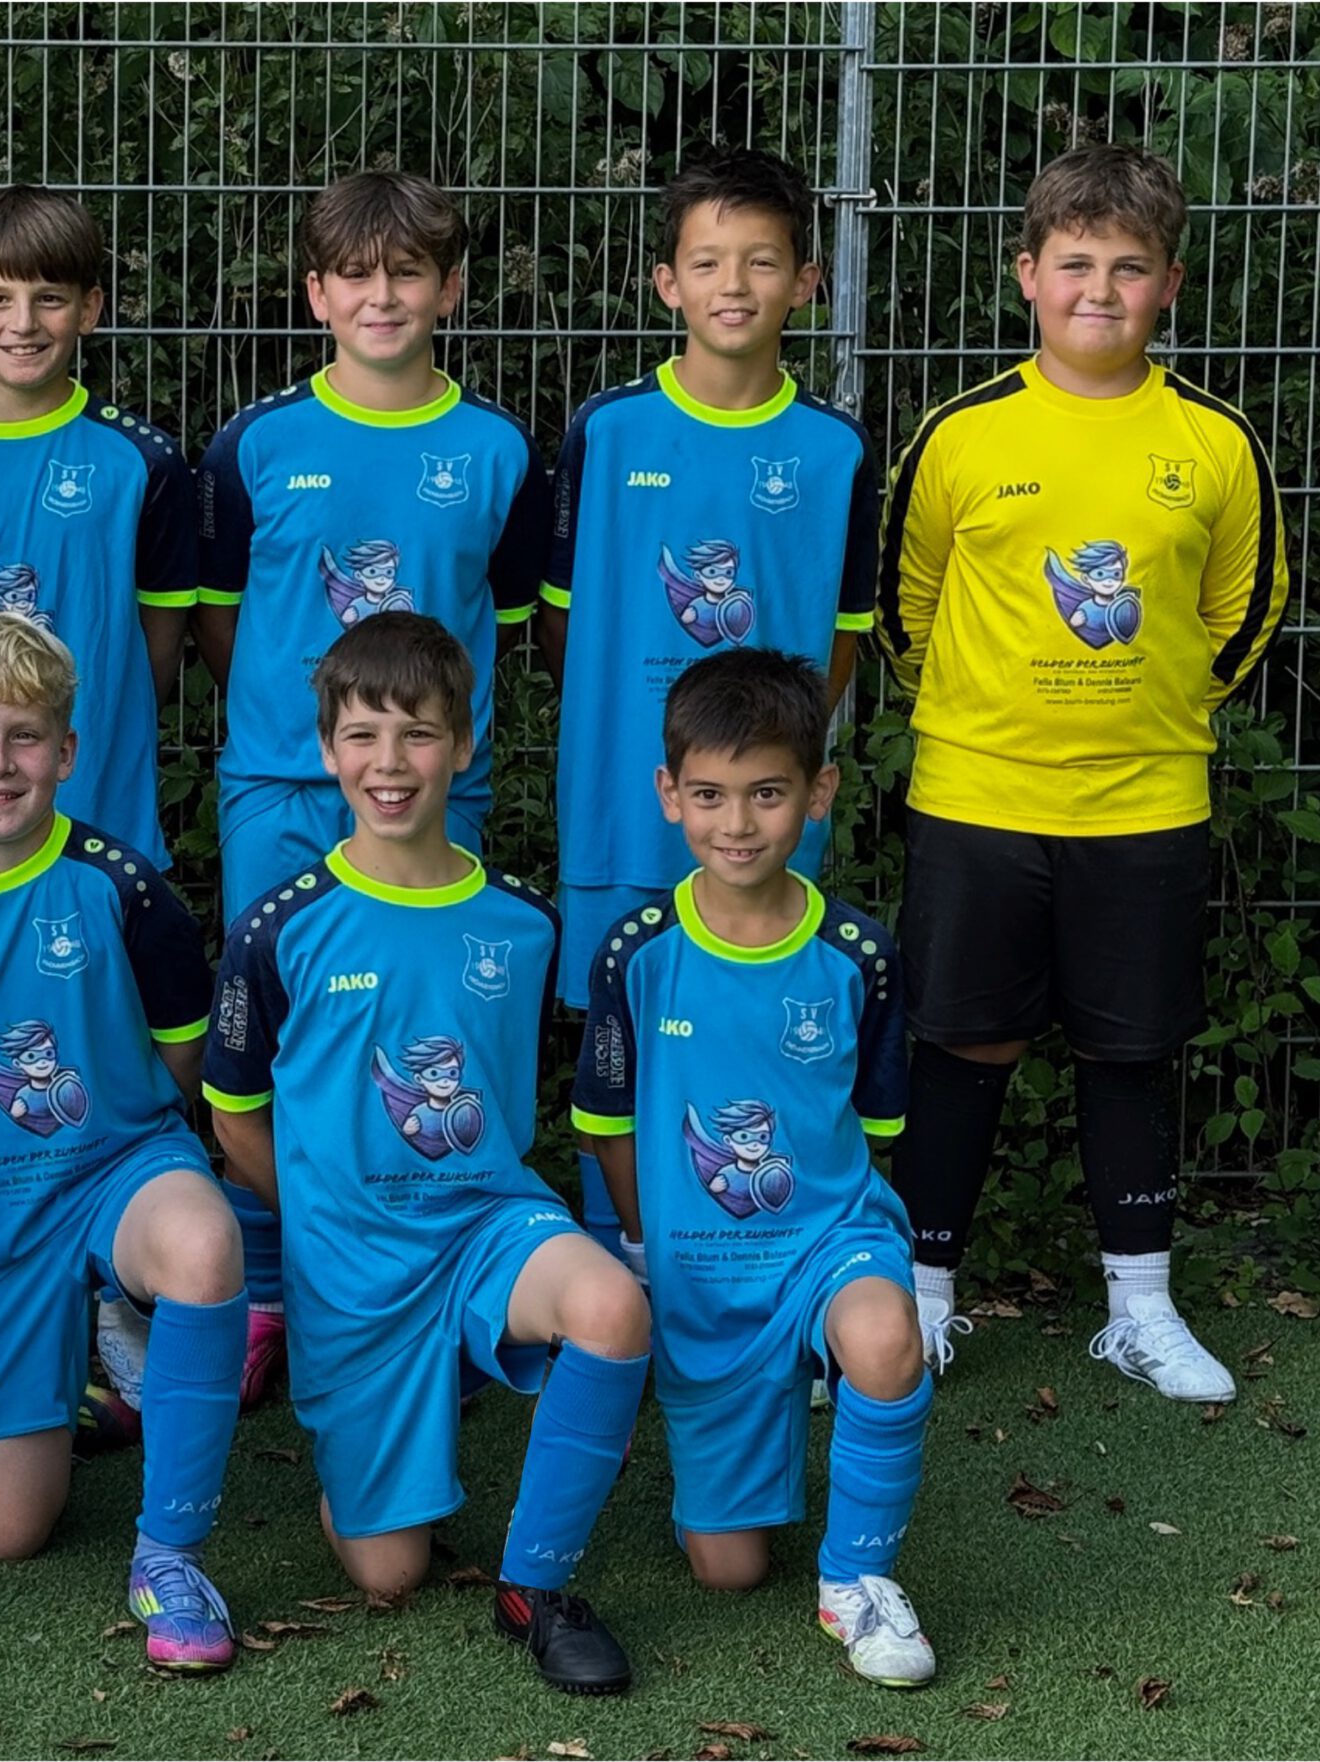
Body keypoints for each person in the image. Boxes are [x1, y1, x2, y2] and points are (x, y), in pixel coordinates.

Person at [878, 142, 1289, 1401]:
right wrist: (992, 712)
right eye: (1073, 263)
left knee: (1131, 1051)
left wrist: (1154, 706)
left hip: (1146, 799)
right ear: (1026, 274)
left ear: (1170, 282)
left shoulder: (1213, 441)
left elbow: (1246, 608)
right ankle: (921, 1303)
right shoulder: (962, 434)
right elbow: (901, 607)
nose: (1098, 290)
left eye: (1127, 266)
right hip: (978, 798)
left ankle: (1141, 1308)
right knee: (962, 1043)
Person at [202, 612, 650, 1696]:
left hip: (489, 1224)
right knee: (389, 1574)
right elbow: (233, 1118)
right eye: (362, 735)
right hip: (354, 1264)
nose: (389, 762)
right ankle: (398, 1421)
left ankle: (535, 1586)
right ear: (325, 750)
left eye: (417, 733)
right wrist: (321, 1219)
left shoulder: (524, 922)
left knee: (611, 1307)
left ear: (464, 741)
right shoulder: (277, 929)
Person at [192, 169, 550, 1406]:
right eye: (355, 274)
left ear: (449, 289)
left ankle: (436, 1270)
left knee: (423, 1036)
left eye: (406, 272)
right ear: (316, 294)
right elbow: (223, 618)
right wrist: (300, 736)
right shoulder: (254, 444)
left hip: (434, 794)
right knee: (278, 1034)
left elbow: (506, 620)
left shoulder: (496, 448)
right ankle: (266, 1290)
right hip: (282, 786)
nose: (380, 296)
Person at [0, 613, 249, 1675]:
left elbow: (183, 1059)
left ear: (65, 753)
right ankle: (64, 1387)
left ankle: (170, 1554)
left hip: (123, 1171)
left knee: (204, 1244)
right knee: (5, 1533)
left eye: (24, 736)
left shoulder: (123, 889)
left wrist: (112, 1140)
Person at [0, 183, 197, 1418]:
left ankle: (109, 1288)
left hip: (97, 814)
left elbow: (154, 647)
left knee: (102, 1048)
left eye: (49, 297)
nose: (22, 321)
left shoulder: (138, 461)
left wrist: (83, 760)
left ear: (90, 309)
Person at [536, 147, 877, 1256]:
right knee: (616, 1028)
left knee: (752, 1031)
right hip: (623, 801)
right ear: (666, 283)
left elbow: (843, 636)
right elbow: (559, 622)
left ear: (807, 281)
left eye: (763, 261)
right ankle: (622, 1258)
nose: (735, 284)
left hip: (757, 812)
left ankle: (757, 1255)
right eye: (708, 261)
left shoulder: (834, 449)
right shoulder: (607, 431)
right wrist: (619, 733)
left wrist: (768, 752)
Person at [573, 647, 935, 1689]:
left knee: (884, 1335)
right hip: (700, 1277)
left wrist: (840, 1239)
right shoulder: (636, 951)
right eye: (710, 795)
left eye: (768, 793)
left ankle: (857, 1579)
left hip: (826, 1240)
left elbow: (873, 1127)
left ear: (818, 792)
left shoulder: (858, 953)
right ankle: (755, 1443)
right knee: (727, 1570)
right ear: (668, 794)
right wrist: (644, 1248)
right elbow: (606, 1127)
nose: (737, 822)